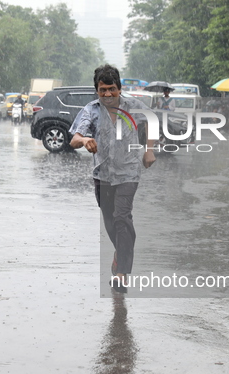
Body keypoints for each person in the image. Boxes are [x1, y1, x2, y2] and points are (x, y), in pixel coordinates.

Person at [69, 64, 156, 292]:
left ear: (119, 88)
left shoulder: (134, 106)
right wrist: (85, 140)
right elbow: (74, 137)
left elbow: (151, 122)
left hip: (129, 171)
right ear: (96, 90)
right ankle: (121, 252)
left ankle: (121, 275)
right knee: (110, 222)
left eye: (112, 89)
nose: (107, 94)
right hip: (103, 174)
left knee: (122, 217)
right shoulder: (91, 110)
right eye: (102, 89)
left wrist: (149, 150)